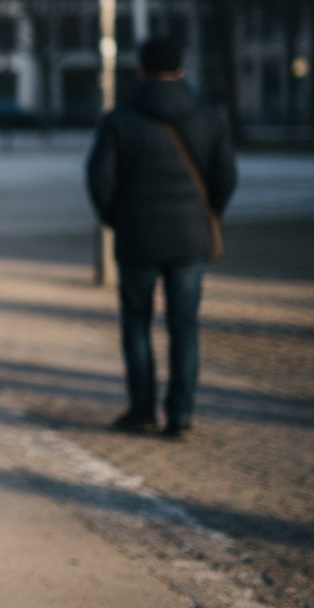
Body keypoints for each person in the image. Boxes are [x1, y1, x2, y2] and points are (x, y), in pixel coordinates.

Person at [86, 37, 237, 439]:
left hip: (137, 238)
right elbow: (226, 176)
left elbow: (98, 180)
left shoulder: (120, 118)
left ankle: (142, 410)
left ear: (141, 71)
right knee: (184, 325)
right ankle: (181, 415)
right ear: (181, 71)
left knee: (136, 324)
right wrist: (208, 215)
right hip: (190, 239)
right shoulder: (207, 116)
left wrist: (117, 219)